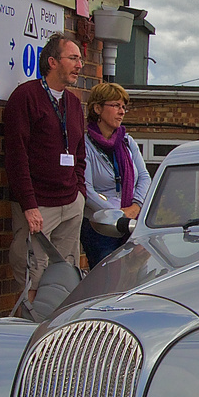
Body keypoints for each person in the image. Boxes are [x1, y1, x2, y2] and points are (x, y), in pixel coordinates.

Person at [2, 33, 87, 303]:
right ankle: (30, 332)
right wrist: (28, 204)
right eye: (73, 58)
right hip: (38, 207)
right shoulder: (26, 96)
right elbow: (17, 155)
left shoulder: (73, 103)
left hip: (70, 203)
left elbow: (79, 152)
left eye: (80, 59)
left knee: (65, 279)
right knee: (34, 278)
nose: (79, 65)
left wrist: (80, 193)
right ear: (52, 61)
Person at [82, 82, 150, 268]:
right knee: (107, 280)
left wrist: (136, 206)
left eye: (123, 107)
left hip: (131, 224)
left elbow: (144, 177)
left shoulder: (128, 142)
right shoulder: (85, 145)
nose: (121, 111)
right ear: (97, 108)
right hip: (101, 226)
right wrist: (117, 215)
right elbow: (86, 189)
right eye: (116, 106)